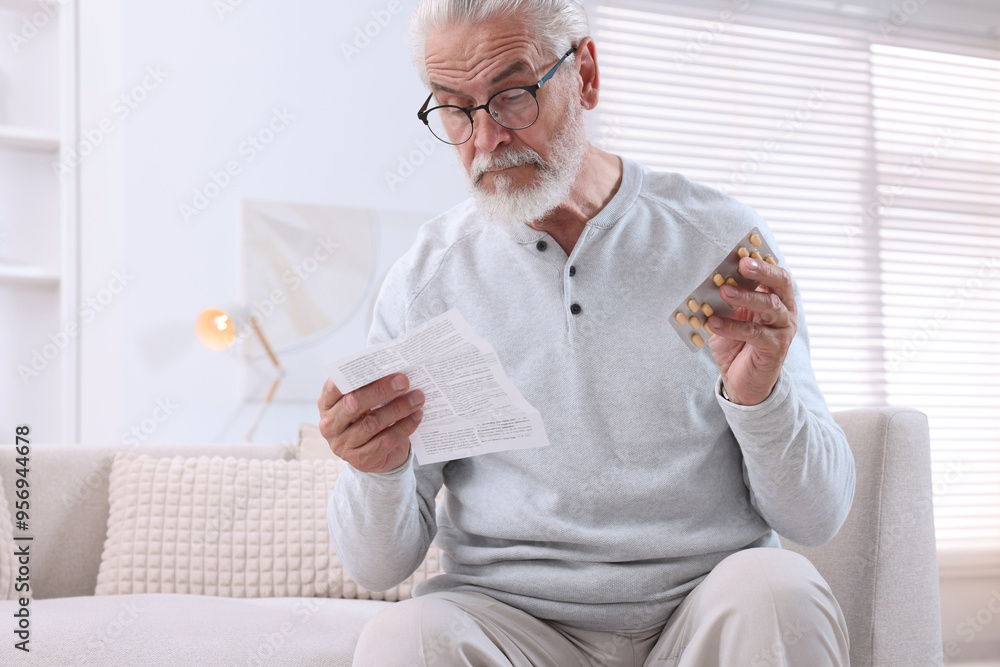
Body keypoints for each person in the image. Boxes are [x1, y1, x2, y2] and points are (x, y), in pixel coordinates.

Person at [317, 1, 855, 664]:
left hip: (702, 613)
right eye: (455, 108)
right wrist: (375, 469)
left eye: (512, 96)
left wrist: (761, 397)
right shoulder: (427, 282)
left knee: (781, 590)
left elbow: (816, 516)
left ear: (586, 75)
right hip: (514, 626)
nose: (485, 139)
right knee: (404, 636)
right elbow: (378, 567)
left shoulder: (714, 242)